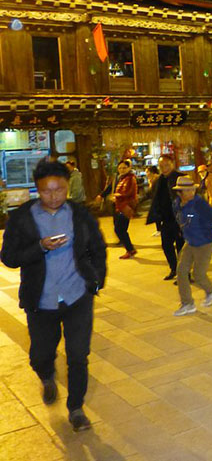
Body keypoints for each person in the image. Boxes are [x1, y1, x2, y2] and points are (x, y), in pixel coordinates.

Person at [0, 160, 107, 432]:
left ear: (66, 187)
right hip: (41, 300)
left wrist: (95, 282)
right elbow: (9, 258)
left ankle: (76, 409)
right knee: (40, 354)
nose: (54, 195)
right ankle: (47, 377)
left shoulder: (79, 214)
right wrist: (40, 247)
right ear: (37, 190)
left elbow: (98, 247)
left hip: (76, 297)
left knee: (78, 355)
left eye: (59, 189)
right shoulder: (22, 217)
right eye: (47, 191)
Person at [172, 175, 212, 316]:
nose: (190, 193)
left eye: (192, 190)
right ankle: (188, 304)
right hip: (190, 242)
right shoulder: (176, 204)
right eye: (186, 191)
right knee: (181, 271)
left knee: (198, 275)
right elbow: (180, 221)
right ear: (179, 193)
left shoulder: (200, 205)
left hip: (205, 242)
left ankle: (211, 290)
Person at [146, 154, 184, 280]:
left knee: (181, 247)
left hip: (180, 219)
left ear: (172, 164)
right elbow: (152, 196)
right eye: (161, 166)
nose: (164, 168)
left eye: (166, 165)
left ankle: (184, 274)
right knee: (166, 245)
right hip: (166, 219)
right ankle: (174, 268)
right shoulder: (158, 180)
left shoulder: (181, 178)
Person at [95, 160, 138, 260]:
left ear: (129, 168)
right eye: (120, 168)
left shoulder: (130, 179)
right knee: (120, 229)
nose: (122, 170)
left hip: (126, 206)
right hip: (120, 206)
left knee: (119, 229)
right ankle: (130, 249)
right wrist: (102, 195)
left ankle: (130, 249)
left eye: (124, 168)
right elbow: (111, 188)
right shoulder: (120, 178)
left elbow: (128, 192)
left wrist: (116, 196)